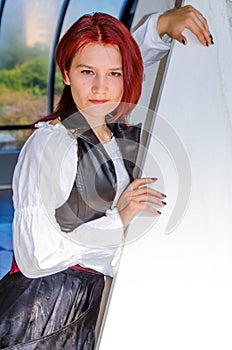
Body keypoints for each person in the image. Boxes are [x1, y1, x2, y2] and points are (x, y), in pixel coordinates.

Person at [0, 6, 212, 350]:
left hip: (79, 314)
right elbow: (36, 255)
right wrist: (119, 219)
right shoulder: (52, 143)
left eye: (114, 75)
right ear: (66, 73)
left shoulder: (108, 132)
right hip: (35, 319)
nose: (101, 87)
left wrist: (159, 26)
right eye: (86, 72)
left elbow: (114, 60)